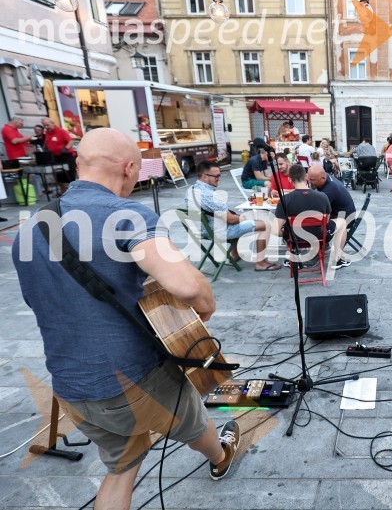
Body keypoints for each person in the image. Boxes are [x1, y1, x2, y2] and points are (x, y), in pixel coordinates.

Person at [12, 128, 241, 508]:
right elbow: (185, 285)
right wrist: (204, 302)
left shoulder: (30, 228)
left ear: (78, 164)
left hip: (72, 388)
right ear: (130, 168)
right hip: (134, 381)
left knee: (121, 468)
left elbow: (39, 300)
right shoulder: (124, 213)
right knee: (194, 422)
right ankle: (220, 457)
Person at [187, 160, 277, 271]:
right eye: (217, 176)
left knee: (237, 216)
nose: (219, 179)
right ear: (205, 176)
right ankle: (261, 262)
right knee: (265, 225)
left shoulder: (190, 190)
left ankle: (235, 255)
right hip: (218, 231)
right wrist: (245, 217)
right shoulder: (211, 196)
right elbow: (232, 220)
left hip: (200, 230)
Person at [275, 164, 349, 269]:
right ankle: (336, 260)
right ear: (306, 177)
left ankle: (291, 258)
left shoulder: (285, 200)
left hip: (295, 239)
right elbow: (327, 220)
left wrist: (284, 233)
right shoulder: (322, 196)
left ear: (290, 179)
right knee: (342, 222)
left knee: (286, 228)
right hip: (319, 237)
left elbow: (275, 230)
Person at [307, 165, 355, 270]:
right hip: (337, 212)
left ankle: (336, 258)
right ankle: (321, 247)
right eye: (309, 178)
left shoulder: (329, 190)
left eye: (312, 180)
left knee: (314, 223)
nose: (310, 182)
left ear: (323, 178)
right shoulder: (325, 178)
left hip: (346, 216)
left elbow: (318, 211)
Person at [43, 117, 77, 183]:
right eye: (44, 125)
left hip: (66, 156)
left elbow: (70, 141)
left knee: (69, 177)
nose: (46, 127)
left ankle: (71, 191)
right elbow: (47, 142)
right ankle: (63, 191)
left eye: (47, 125)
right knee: (59, 177)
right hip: (56, 157)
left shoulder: (61, 131)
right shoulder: (47, 132)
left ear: (52, 123)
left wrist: (66, 148)